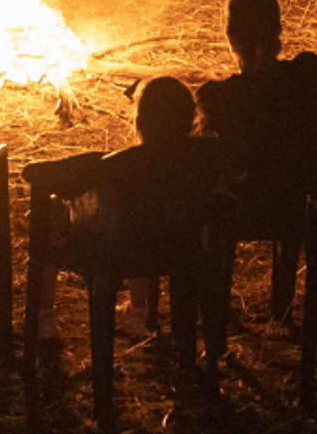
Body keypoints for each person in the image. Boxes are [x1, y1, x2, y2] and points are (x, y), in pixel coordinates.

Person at [195, 0, 317, 322]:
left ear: (231, 39)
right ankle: (283, 310)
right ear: (279, 30)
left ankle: (211, 315)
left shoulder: (218, 98)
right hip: (300, 204)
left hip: (243, 209)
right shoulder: (307, 76)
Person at [35, 76, 224, 341]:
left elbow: (44, 177)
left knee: (54, 221)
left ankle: (43, 317)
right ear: (191, 118)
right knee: (144, 226)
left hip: (122, 253)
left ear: (139, 120)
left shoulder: (120, 165)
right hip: (184, 249)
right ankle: (139, 314)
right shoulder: (206, 157)